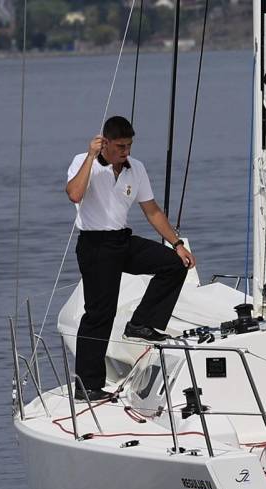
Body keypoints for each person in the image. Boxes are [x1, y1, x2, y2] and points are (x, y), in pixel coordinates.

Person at [65, 116, 195, 402]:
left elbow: (152, 211)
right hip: (95, 245)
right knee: (100, 314)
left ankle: (141, 323)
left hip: (121, 240)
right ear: (105, 143)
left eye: (129, 145)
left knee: (174, 265)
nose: (126, 151)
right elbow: (74, 194)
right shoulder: (84, 162)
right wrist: (90, 156)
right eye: (120, 146)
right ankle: (86, 385)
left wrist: (177, 244)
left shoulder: (136, 169)